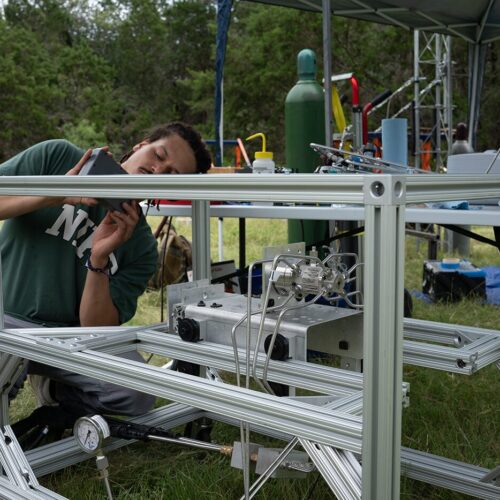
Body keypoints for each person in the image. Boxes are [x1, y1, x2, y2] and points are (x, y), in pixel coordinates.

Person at [0, 121, 212, 420]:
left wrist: (99, 258)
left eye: (171, 174)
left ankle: (56, 392)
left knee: (136, 393)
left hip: (68, 339)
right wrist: (55, 194)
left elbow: (95, 326)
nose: (158, 170)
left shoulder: (140, 246)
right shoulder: (58, 156)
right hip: (5, 317)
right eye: (159, 155)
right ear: (141, 145)